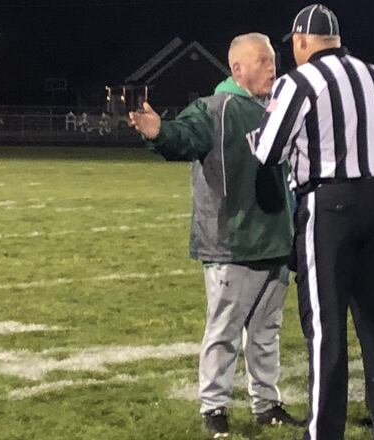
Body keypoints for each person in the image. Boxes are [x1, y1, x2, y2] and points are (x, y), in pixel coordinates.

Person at [128, 32, 303, 438]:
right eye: (262, 61)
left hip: (275, 238)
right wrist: (158, 132)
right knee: (223, 332)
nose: (272, 67)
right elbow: (183, 138)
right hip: (232, 241)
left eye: (273, 59)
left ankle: (267, 404)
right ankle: (214, 408)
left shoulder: (277, 108)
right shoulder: (216, 108)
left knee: (265, 333)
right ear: (238, 68)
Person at [249, 4, 374, 439]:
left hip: (329, 202)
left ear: (302, 42)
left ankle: (325, 430)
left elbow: (268, 152)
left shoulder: (298, 82)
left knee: (326, 324)